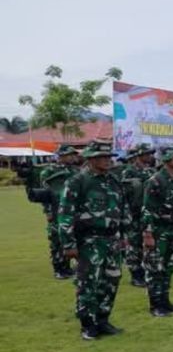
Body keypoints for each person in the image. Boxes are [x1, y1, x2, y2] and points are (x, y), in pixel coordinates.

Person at [58, 140, 131, 340]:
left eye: (108, 157)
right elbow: (65, 214)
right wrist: (69, 244)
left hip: (112, 240)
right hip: (89, 240)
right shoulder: (78, 181)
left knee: (111, 280)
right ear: (91, 159)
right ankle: (88, 325)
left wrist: (124, 235)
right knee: (89, 282)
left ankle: (103, 319)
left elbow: (122, 209)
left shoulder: (113, 181)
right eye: (102, 157)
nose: (107, 161)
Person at [141, 147, 173, 317]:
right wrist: (148, 234)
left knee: (169, 266)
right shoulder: (155, 180)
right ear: (167, 159)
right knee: (155, 268)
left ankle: (165, 301)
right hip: (157, 230)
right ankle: (155, 305)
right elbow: (147, 209)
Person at [40, 144, 79, 279]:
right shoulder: (48, 172)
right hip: (56, 209)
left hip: (73, 210)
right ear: (61, 156)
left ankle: (69, 267)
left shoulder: (75, 171)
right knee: (57, 239)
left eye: (73, 154)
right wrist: (48, 211)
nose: (72, 157)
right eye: (69, 155)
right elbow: (45, 194)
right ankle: (59, 268)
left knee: (72, 236)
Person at [120, 143, 156, 288]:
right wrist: (127, 216)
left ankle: (147, 271)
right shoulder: (129, 172)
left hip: (147, 213)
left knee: (147, 245)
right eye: (146, 154)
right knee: (134, 245)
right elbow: (124, 196)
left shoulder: (150, 171)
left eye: (150, 154)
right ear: (139, 156)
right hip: (134, 214)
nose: (149, 156)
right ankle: (136, 275)